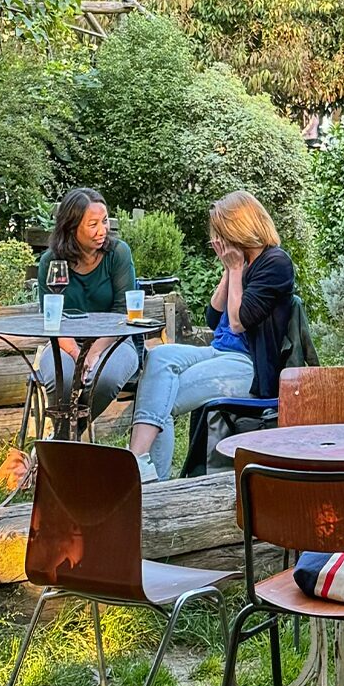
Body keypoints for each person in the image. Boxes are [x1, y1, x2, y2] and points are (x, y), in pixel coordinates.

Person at [126, 191, 295, 482]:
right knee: (160, 355)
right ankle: (141, 465)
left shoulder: (275, 263)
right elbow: (214, 318)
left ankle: (148, 479)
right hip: (220, 352)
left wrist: (235, 268)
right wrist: (229, 271)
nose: (218, 240)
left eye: (222, 232)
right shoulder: (243, 262)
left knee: (161, 398)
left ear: (239, 228)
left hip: (248, 366)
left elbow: (238, 323)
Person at [36, 186, 143, 414]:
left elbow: (122, 313)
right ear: (71, 227)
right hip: (64, 340)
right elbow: (51, 317)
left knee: (104, 380)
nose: (102, 230)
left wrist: (93, 352)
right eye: (93, 224)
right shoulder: (51, 262)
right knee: (62, 380)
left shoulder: (118, 253)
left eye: (104, 221)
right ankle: (66, 435)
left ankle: (67, 434)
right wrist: (77, 354)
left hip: (114, 339)